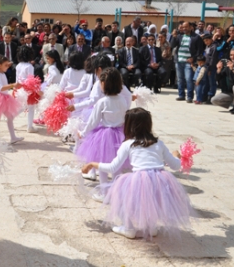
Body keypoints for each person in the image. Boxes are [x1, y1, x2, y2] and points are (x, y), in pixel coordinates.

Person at [81, 108, 193, 239]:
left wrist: (92, 164)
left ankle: (128, 227)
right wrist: (177, 156)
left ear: (128, 126)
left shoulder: (128, 144)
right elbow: (175, 166)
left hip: (139, 179)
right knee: (153, 200)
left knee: (120, 195)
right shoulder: (158, 143)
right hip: (160, 179)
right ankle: (151, 227)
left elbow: (113, 167)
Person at [76, 68, 130, 201]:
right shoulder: (123, 100)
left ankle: (104, 193)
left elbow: (93, 122)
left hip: (104, 136)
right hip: (120, 134)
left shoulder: (102, 102)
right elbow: (125, 118)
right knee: (117, 166)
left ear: (105, 84)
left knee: (102, 165)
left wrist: (83, 133)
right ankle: (116, 193)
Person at [171, 21, 205, 103]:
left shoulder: (196, 37)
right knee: (180, 79)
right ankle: (181, 95)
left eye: (186, 27)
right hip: (179, 61)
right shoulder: (179, 36)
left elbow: (200, 50)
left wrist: (193, 58)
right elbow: (172, 45)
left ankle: (189, 96)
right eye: (183, 27)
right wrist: (174, 37)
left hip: (189, 62)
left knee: (189, 79)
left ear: (191, 27)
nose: (184, 28)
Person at [16, 45, 39, 133]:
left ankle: (11, 116)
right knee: (31, 107)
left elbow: (17, 78)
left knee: (23, 106)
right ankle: (30, 126)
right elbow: (31, 80)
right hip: (28, 89)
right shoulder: (29, 66)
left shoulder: (18, 65)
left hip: (20, 88)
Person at [211, 48, 234, 113]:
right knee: (214, 100)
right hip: (230, 93)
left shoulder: (231, 66)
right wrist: (219, 69)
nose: (233, 57)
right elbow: (218, 78)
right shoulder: (228, 65)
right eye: (231, 55)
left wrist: (232, 70)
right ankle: (233, 104)